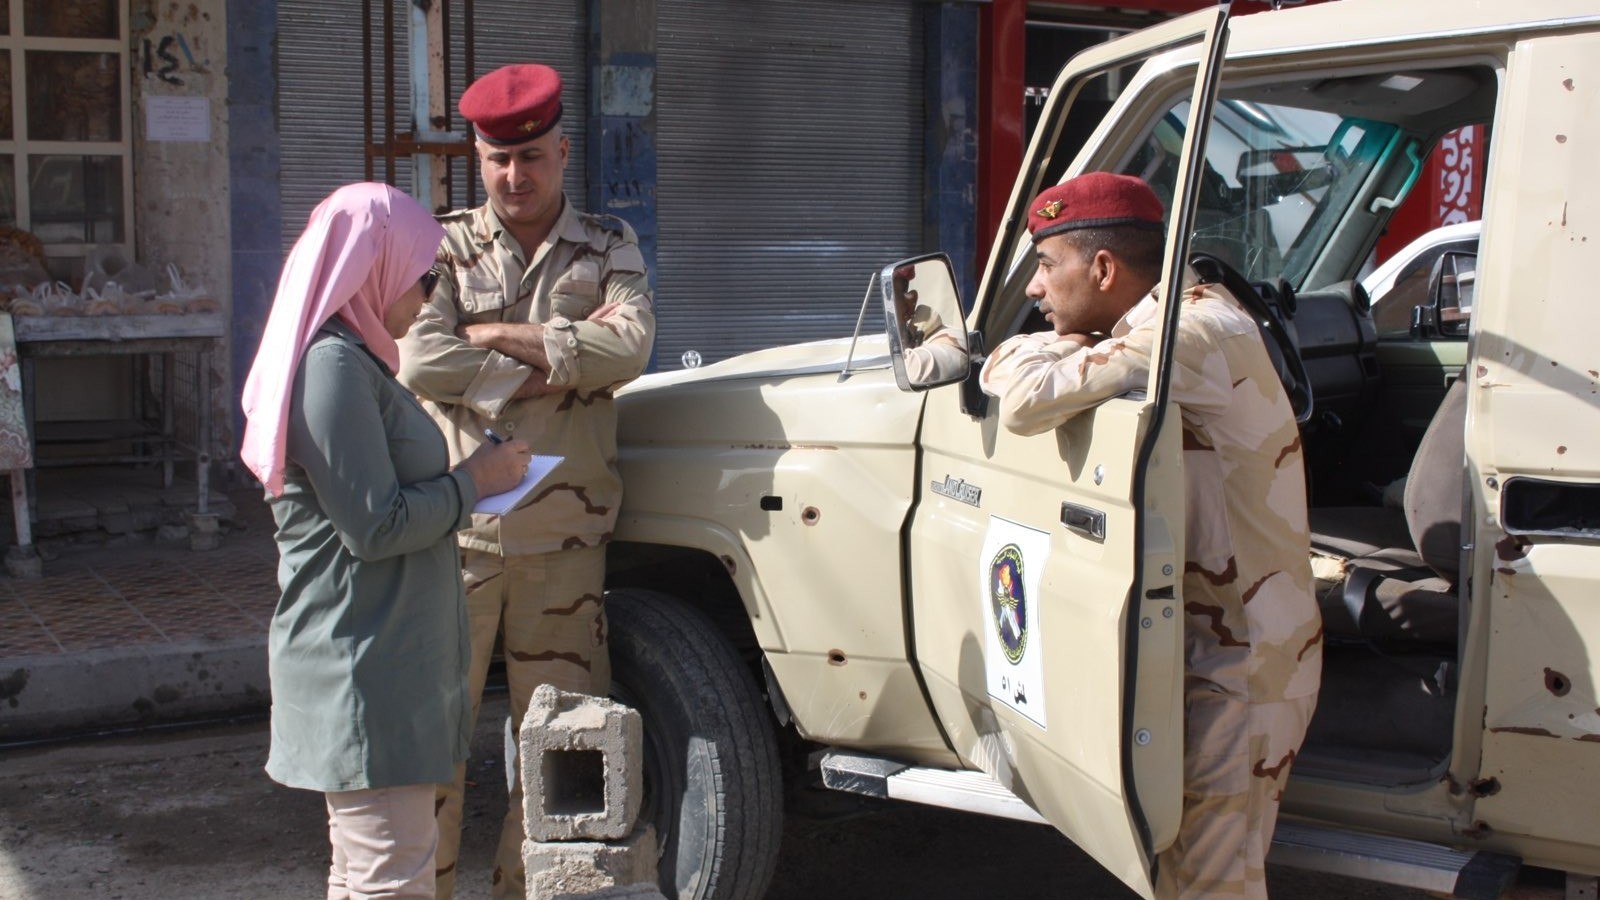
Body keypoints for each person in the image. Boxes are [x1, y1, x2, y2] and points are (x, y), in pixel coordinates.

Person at [978, 172, 1322, 899]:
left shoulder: (1189, 332)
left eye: (1045, 266)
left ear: (1103, 269)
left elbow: (1026, 399)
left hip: (1246, 665)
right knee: (1185, 869)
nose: (1035, 290)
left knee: (1210, 883)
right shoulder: (1172, 321)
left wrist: (1018, 351)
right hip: (1220, 647)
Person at [395, 63, 655, 900]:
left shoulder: (609, 242)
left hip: (564, 545)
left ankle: (527, 890)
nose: (516, 175)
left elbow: (636, 347)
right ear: (477, 155)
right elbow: (419, 357)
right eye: (499, 158)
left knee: (562, 749)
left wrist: (502, 332)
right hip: (459, 537)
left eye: (533, 155)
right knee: (432, 743)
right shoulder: (442, 244)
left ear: (562, 151)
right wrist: (563, 361)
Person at [240, 182, 532, 899]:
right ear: (375, 266)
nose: (430, 295)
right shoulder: (331, 367)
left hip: (382, 662)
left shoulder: (355, 361)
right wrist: (475, 480)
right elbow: (375, 525)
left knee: (370, 872)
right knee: (390, 876)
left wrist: (471, 480)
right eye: (423, 275)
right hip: (363, 669)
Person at [891, 263, 968, 384]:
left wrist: (902, 336)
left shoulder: (943, 339)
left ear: (909, 303)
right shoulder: (911, 340)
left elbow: (910, 372)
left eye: (889, 300)